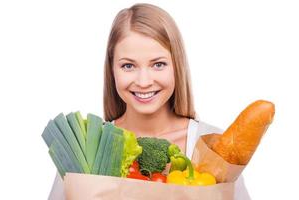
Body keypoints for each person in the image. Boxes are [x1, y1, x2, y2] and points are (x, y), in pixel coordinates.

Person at [48, 3, 251, 199]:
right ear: (112, 70)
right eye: (128, 66)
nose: (143, 81)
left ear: (176, 66)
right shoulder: (84, 149)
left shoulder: (211, 144)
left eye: (158, 64)